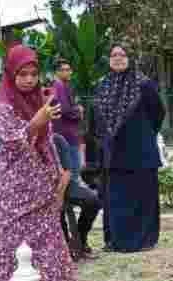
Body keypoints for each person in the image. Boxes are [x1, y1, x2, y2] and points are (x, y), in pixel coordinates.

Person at [0, 45, 76, 281]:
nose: (28, 80)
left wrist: (58, 176)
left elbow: (47, 142)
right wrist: (34, 123)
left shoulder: (42, 101)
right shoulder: (2, 107)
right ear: (10, 75)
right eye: (22, 74)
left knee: (48, 246)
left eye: (33, 74)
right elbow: (12, 143)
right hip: (16, 194)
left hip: (42, 189)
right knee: (17, 249)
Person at [94, 44, 165, 253]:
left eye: (122, 54)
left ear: (130, 58)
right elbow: (96, 121)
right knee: (117, 199)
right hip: (114, 155)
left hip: (140, 152)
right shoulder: (103, 86)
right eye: (113, 54)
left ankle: (144, 240)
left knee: (143, 197)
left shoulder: (145, 85)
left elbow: (158, 113)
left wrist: (142, 133)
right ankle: (117, 240)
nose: (117, 58)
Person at [52, 133, 102, 259]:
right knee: (56, 211)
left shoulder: (57, 139)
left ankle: (80, 239)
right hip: (42, 188)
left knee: (93, 200)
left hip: (65, 183)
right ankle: (65, 245)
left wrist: (59, 195)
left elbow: (68, 171)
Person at [51, 59, 86, 171]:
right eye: (65, 70)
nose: (69, 72)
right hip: (67, 134)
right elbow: (64, 109)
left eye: (69, 70)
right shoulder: (59, 86)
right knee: (73, 170)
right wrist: (78, 111)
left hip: (63, 134)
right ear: (57, 72)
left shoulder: (60, 85)